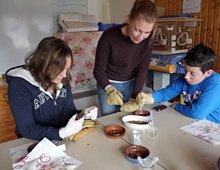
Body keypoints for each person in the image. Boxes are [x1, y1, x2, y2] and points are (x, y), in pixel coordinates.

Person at [5, 37, 98, 141]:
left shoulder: (63, 80)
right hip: (30, 141)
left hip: (57, 137)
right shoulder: (19, 85)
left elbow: (68, 111)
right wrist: (61, 133)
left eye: (66, 69)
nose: (64, 75)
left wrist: (83, 114)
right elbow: (27, 128)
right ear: (44, 64)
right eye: (59, 69)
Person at [121, 43, 220, 124]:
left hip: (214, 127)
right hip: (194, 122)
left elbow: (197, 113)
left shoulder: (215, 84)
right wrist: (148, 97)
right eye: (185, 71)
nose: (186, 76)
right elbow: (165, 94)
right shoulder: (186, 79)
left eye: (192, 73)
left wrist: (177, 106)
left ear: (208, 73)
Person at [93, 0, 157, 116]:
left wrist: (135, 96)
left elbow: (142, 69)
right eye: (137, 30)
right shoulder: (108, 37)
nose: (141, 37)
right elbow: (98, 71)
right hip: (108, 84)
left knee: (130, 120)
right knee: (110, 122)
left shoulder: (149, 39)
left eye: (146, 32)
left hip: (132, 85)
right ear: (129, 20)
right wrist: (109, 89)